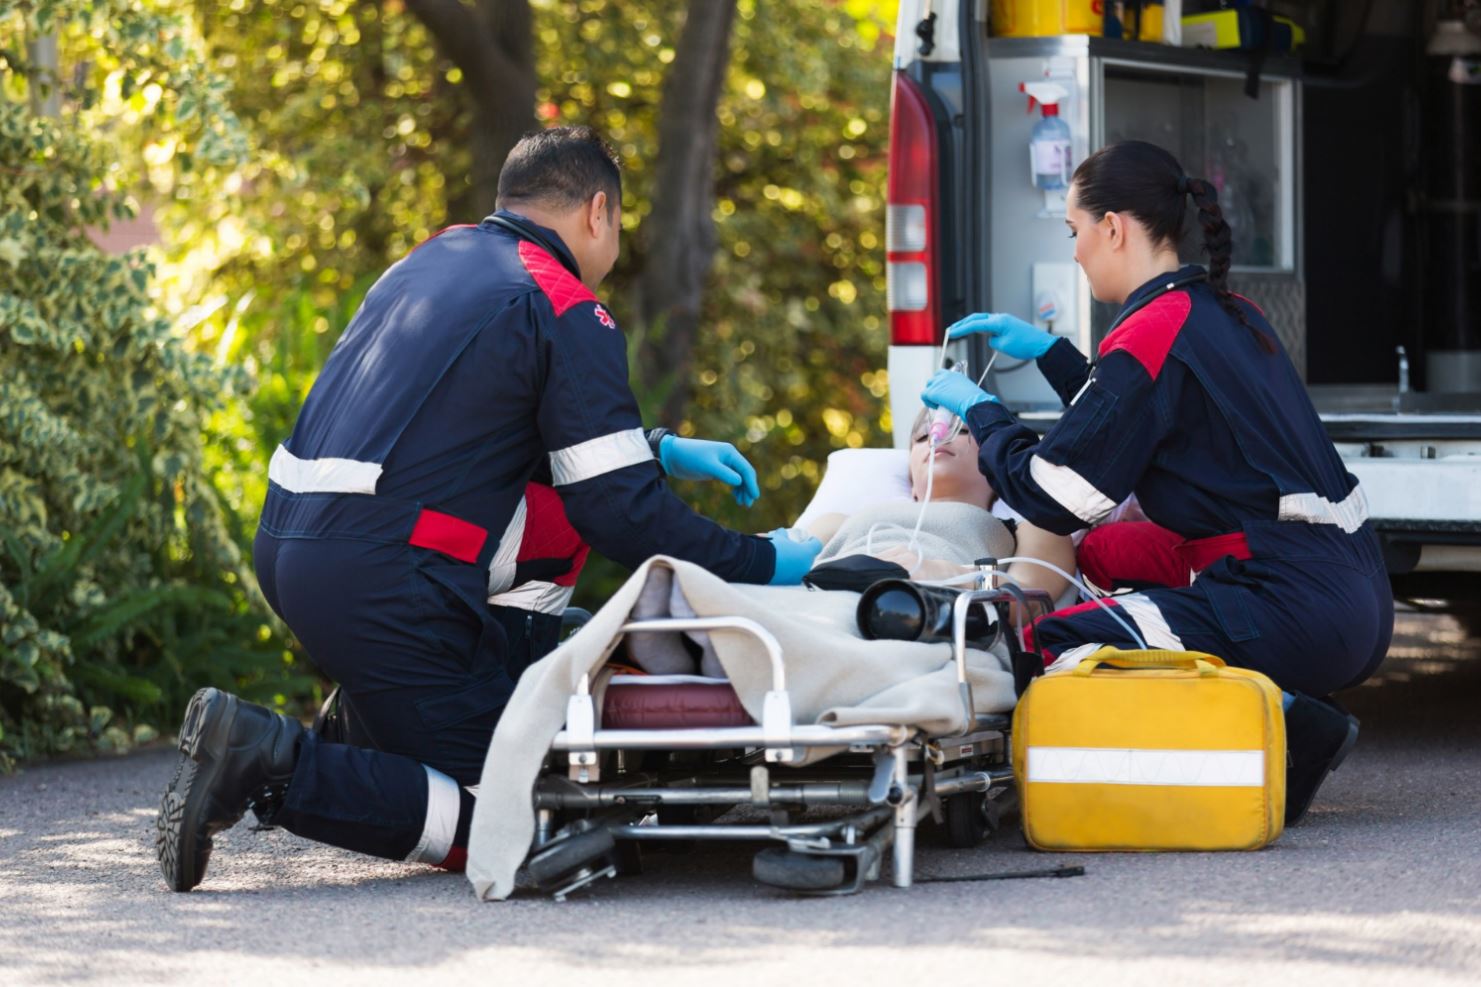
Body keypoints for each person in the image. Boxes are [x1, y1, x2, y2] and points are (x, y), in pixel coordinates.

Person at [155, 126, 823, 891]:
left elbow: (471, 430)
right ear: (597, 211)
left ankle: (370, 723)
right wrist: (765, 560)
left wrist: (656, 446)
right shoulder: (566, 305)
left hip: (297, 548)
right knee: (539, 818)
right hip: (383, 580)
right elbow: (621, 515)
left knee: (534, 551)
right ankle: (270, 761)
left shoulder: (434, 260)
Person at [919, 140, 1392, 824]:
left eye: (1074, 231)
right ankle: (1286, 713)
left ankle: (1289, 721)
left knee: (1054, 642)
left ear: (1112, 228)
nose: (1075, 251)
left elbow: (1054, 494)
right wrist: (1053, 355)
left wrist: (982, 413)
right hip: (1350, 593)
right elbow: (1140, 411)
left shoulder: (1151, 329)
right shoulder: (1227, 311)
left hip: (1292, 602)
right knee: (1109, 556)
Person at [805, 408, 1075, 606]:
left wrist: (948, 575)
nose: (938, 438)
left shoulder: (1032, 527)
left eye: (963, 431)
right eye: (922, 438)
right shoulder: (837, 522)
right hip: (817, 605)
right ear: (911, 482)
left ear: (997, 467)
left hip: (916, 614)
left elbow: (1029, 596)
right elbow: (777, 559)